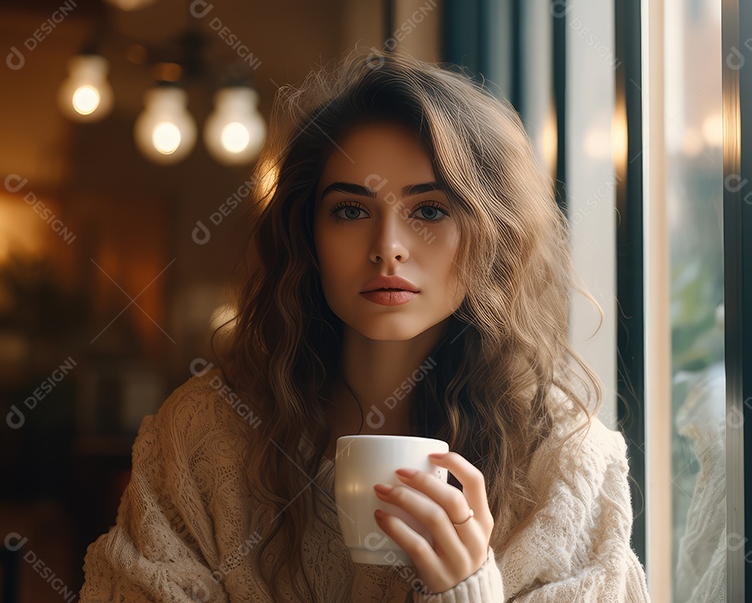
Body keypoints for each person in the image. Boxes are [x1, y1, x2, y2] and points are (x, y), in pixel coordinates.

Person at [79, 49, 650, 602]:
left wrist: (466, 590)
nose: (388, 249)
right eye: (351, 211)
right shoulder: (202, 435)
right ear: (308, 236)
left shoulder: (564, 460)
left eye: (429, 210)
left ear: (491, 234)